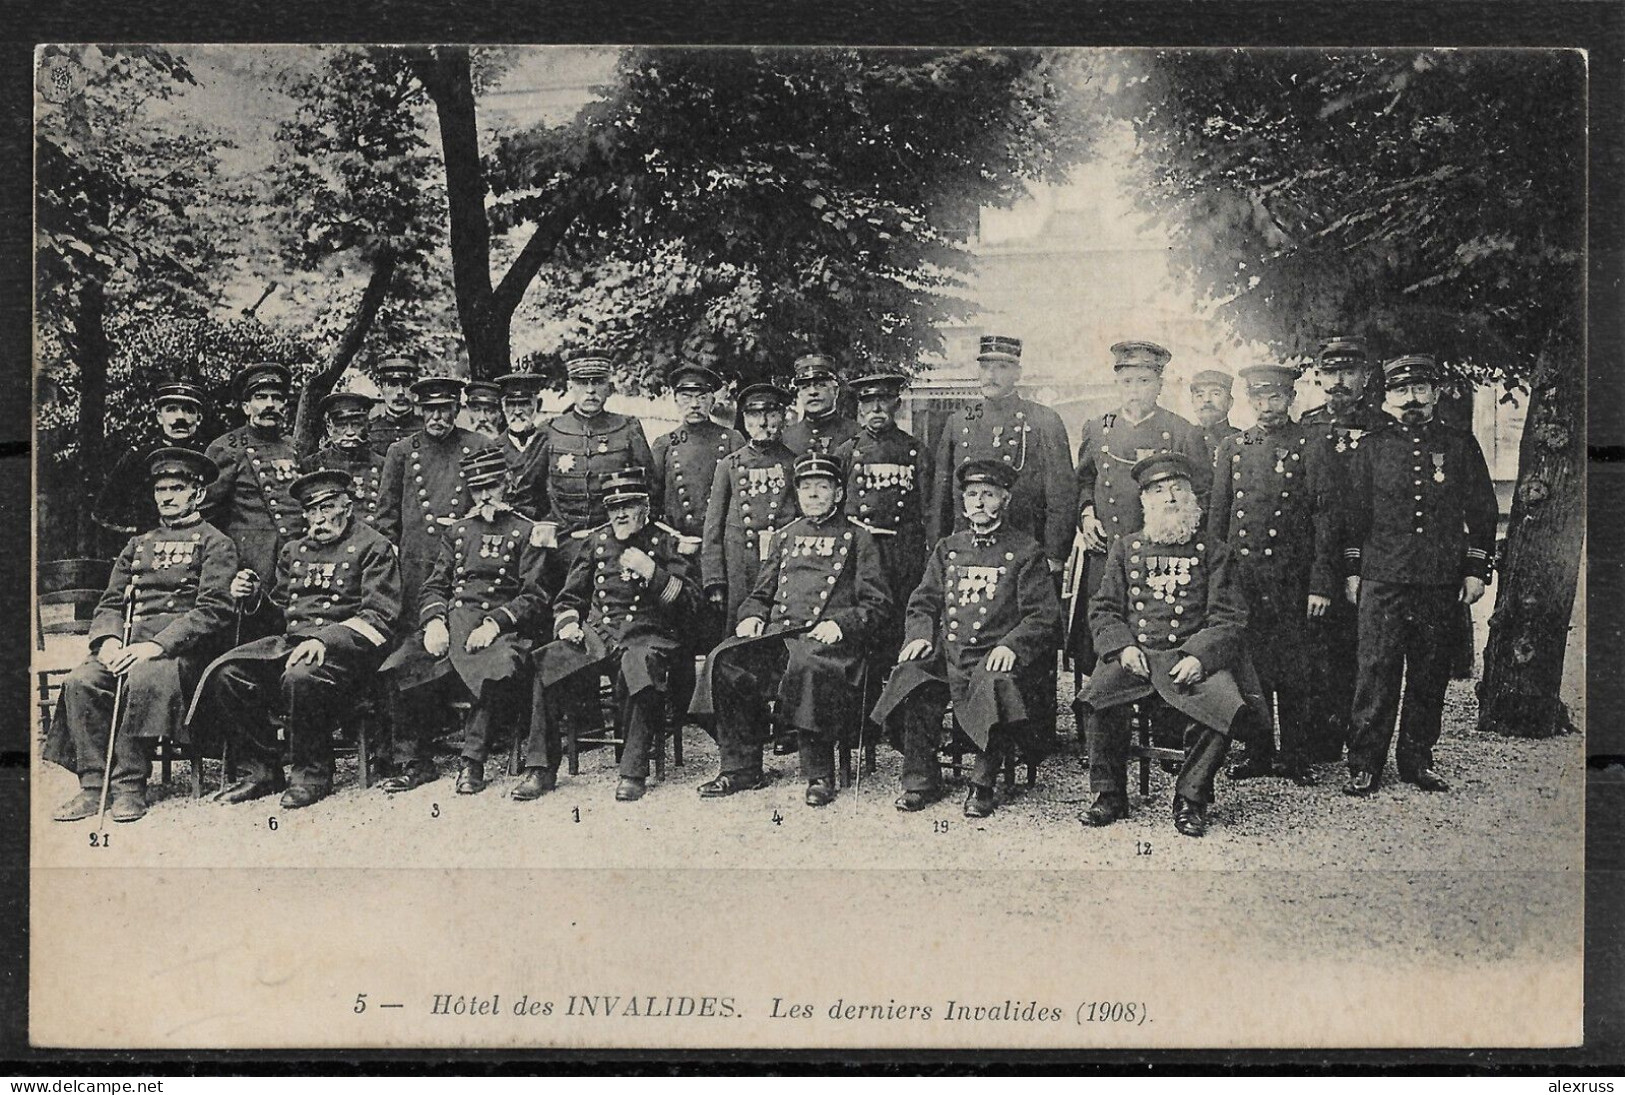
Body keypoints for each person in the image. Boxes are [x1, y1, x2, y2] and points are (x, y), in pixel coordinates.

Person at [190, 469, 402, 810]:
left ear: (347, 508)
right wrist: (253, 596)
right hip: (293, 645)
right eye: (311, 511)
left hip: (350, 655)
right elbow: (279, 616)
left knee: (301, 674)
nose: (318, 519)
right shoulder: (293, 551)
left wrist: (326, 640)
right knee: (227, 673)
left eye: (327, 508)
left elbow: (380, 617)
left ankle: (312, 774)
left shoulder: (373, 546)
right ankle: (261, 770)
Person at [45, 448, 238, 823]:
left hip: (182, 653)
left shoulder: (216, 543)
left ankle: (130, 785)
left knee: (145, 677)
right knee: (82, 680)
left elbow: (214, 609)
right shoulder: (137, 544)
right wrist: (109, 643)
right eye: (160, 489)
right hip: (130, 646)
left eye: (177, 488)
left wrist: (155, 646)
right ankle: (92, 785)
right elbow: (110, 603)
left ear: (197, 493)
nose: (166, 497)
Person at [692, 452, 890, 807]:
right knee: (725, 660)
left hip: (830, 643)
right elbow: (761, 593)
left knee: (809, 665)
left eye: (822, 487)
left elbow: (876, 605)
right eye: (806, 488)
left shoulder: (859, 537)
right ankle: (741, 767)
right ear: (797, 494)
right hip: (781, 636)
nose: (813, 495)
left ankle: (819, 772)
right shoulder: (785, 536)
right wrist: (751, 615)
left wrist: (841, 625)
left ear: (839, 493)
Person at [869, 458, 1062, 818]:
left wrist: (1011, 645)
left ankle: (982, 783)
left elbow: (1042, 616)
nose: (979, 502)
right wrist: (920, 635)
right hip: (950, 651)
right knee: (913, 675)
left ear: (1005, 500)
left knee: (994, 684)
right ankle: (920, 779)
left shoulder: (1025, 551)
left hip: (994, 654)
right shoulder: (948, 548)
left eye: (988, 494)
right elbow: (923, 601)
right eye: (972, 494)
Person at [1341, 355, 1497, 797]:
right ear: (1387, 398)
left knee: (1430, 673)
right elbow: (1353, 516)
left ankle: (1417, 760)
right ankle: (1364, 763)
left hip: (1438, 580)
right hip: (1382, 578)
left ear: (1435, 392)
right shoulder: (1371, 447)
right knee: (1375, 671)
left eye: (1418, 389)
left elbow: (1483, 511)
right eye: (1400, 391)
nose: (1410, 399)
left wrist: (1474, 570)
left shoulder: (1460, 445)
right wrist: (1354, 570)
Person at [1077, 452, 1254, 838]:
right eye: (1158, 491)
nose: (1170, 498)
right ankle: (1109, 794)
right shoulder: (1126, 549)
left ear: (1193, 498)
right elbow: (1104, 608)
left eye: (1178, 489)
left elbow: (1229, 617)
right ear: (1145, 502)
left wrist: (1199, 656)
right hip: (1137, 655)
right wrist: (1122, 647)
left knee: (1223, 704)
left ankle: (1191, 799)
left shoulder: (1215, 552)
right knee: (1097, 697)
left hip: (1188, 657)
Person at [518, 468, 701, 803]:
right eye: (613, 506)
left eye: (627, 506)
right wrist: (569, 624)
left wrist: (654, 574)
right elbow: (570, 597)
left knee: (640, 666)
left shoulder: (666, 541)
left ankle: (633, 771)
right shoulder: (597, 541)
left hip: (648, 636)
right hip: (599, 634)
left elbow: (691, 605)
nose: (619, 514)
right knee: (549, 662)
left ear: (645, 506)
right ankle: (540, 769)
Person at [379, 449, 549, 795]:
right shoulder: (457, 532)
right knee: (401, 664)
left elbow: (535, 596)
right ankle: (415, 762)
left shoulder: (528, 531)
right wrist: (435, 622)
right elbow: (435, 585)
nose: (486, 496)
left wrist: (494, 624)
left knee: (491, 666)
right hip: (454, 623)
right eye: (478, 489)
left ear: (508, 484)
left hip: (502, 630)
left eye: (492, 487)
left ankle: (472, 761)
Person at [1208, 365, 1338, 786]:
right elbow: (1219, 519)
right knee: (1253, 668)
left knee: (1296, 669)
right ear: (1249, 400)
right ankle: (1259, 752)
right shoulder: (1235, 446)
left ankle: (1296, 756)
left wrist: (1320, 583)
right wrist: (1217, 579)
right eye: (1260, 399)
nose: (1268, 407)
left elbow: (1325, 519)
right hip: (1245, 579)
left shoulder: (1311, 444)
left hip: (1292, 578)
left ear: (1290, 398)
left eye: (1276, 398)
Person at [1069, 341, 1211, 670]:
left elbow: (1203, 494)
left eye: (1144, 381)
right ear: (1117, 383)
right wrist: (1087, 513)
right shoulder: (1097, 428)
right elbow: (1084, 481)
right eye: (1127, 381)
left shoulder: (1181, 431)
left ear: (1160, 384)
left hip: (1161, 558)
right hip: (1107, 552)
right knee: (1106, 647)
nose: (1134, 390)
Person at [1299, 335, 1385, 762]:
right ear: (1319, 377)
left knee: (1364, 648)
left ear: (1365, 377)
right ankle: (1321, 739)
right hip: (1322, 552)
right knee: (1321, 647)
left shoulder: (1383, 426)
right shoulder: (1307, 426)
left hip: (1371, 551)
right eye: (1331, 372)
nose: (1339, 381)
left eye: (1349, 372)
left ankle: (1362, 739)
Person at [929, 335, 1074, 572]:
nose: (991, 375)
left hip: (1025, 551)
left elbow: (1062, 495)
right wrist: (938, 551)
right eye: (985, 367)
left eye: (1001, 367)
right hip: (968, 550)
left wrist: (1055, 556)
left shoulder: (1043, 421)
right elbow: (941, 497)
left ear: (1018, 372)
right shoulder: (959, 421)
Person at [513, 349, 654, 587]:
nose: (590, 391)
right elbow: (526, 495)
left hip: (616, 547)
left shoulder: (628, 429)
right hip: (561, 549)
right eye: (582, 383)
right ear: (570, 387)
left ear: (609, 387)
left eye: (598, 382)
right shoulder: (551, 431)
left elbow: (650, 491)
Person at [649, 363, 743, 718]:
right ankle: (680, 703)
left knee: (722, 626)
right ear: (675, 400)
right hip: (681, 553)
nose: (694, 403)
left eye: (701, 395)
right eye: (686, 396)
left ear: (712, 398)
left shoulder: (732, 441)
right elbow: (653, 507)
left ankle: (722, 703)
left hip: (718, 550)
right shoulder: (664, 445)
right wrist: (674, 542)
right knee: (680, 628)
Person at [376, 376, 500, 625]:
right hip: (416, 560)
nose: (436, 418)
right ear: (420, 409)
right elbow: (386, 515)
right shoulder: (401, 451)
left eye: (444, 409)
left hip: (465, 555)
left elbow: (494, 504)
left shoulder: (479, 446)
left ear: (456, 408)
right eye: (430, 410)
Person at [835, 371, 928, 670]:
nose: (876, 409)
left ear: (896, 405)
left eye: (883, 401)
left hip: (903, 552)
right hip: (861, 552)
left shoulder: (915, 451)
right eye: (869, 402)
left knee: (899, 622)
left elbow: (930, 508)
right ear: (860, 409)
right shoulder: (847, 451)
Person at [701, 382, 800, 625]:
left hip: (782, 563)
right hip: (739, 565)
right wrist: (715, 579)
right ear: (744, 420)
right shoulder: (729, 465)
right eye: (755, 415)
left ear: (783, 417)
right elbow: (713, 525)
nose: (763, 423)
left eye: (771, 414)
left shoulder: (795, 463)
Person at [203, 363, 305, 586]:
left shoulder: (293, 448)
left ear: (284, 405)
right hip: (252, 565)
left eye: (276, 398)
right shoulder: (226, 448)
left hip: (296, 559)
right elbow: (207, 517)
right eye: (261, 397)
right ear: (246, 406)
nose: (270, 404)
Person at [91, 379, 210, 546]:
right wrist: (141, 532)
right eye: (172, 410)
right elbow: (104, 511)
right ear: (159, 418)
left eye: (188, 411)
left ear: (199, 418)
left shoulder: (211, 456)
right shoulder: (137, 458)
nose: (180, 417)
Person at [302, 391, 387, 530]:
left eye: (356, 425)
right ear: (330, 428)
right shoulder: (312, 465)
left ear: (367, 427)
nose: (350, 432)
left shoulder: (382, 465)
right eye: (342, 426)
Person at [781, 353, 859, 456]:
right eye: (805, 387)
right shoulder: (787, 437)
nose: (813, 392)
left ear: (835, 391)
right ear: (799, 394)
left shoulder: (855, 433)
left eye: (820, 385)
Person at [494, 371, 548, 494]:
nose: (517, 411)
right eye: (511, 404)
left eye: (524, 403)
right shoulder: (493, 448)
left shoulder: (547, 444)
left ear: (538, 406)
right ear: (503, 407)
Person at [368, 357, 424, 455]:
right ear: (381, 388)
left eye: (407, 384)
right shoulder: (370, 431)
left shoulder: (426, 429)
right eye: (393, 384)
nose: (400, 392)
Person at [1189, 368, 1240, 465]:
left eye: (1215, 394)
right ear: (1192, 402)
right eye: (1199, 395)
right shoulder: (1184, 438)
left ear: (1230, 402)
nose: (1206, 400)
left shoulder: (1240, 440)